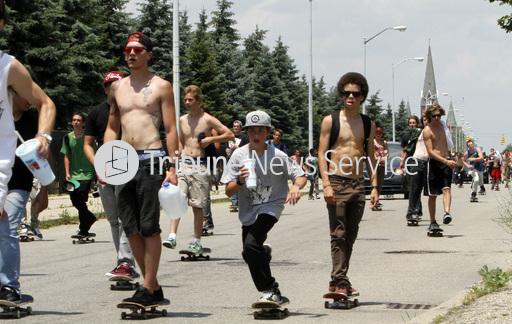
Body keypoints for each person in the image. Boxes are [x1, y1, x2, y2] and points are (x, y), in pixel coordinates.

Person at [104, 31, 178, 305]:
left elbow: (170, 128)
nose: (131, 54)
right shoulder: (117, 87)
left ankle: (147, 287)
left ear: (149, 54)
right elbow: (113, 126)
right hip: (123, 160)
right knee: (130, 225)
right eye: (127, 50)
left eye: (137, 50)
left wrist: (173, 165)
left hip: (152, 157)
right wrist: (106, 161)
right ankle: (151, 286)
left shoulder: (161, 86)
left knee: (148, 225)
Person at [0, 0, 56, 299]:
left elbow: (46, 102)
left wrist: (43, 135)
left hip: (5, 170)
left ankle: (8, 286)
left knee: (6, 227)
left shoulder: (7, 66)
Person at [221, 110, 307, 303]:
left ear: (268, 132)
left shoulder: (277, 156)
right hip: (248, 209)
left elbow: (300, 175)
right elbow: (228, 191)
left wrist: (295, 187)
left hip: (271, 205)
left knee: (251, 245)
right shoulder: (238, 155)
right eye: (252, 131)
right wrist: (240, 180)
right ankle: (263, 254)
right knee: (249, 252)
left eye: (261, 131)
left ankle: (270, 290)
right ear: (246, 133)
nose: (256, 135)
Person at [317, 72, 379, 297]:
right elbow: (322, 153)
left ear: (362, 96)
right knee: (338, 233)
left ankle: (338, 279)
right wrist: (326, 184)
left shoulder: (367, 123)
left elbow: (370, 155)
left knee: (350, 234)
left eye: (355, 93)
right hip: (336, 181)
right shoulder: (331, 120)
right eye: (346, 93)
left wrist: (374, 187)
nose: (350, 97)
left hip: (357, 184)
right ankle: (341, 281)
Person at [162, 85, 233, 252]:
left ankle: (196, 240)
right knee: (177, 198)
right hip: (184, 164)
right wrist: (177, 154)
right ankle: (172, 236)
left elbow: (229, 134)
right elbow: (179, 140)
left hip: (200, 165)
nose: (187, 102)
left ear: (198, 101)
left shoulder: (207, 119)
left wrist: (210, 139)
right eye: (185, 99)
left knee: (198, 205)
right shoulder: (182, 120)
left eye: (190, 100)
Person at [83, 71, 138, 279]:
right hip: (104, 172)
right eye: (108, 86)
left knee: (126, 217)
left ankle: (126, 261)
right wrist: (98, 165)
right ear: (104, 89)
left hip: (128, 169)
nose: (112, 89)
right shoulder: (97, 112)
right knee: (114, 220)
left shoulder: (132, 110)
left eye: (116, 84)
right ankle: (121, 261)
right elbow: (87, 144)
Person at [61, 112, 97, 236]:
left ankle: (83, 229)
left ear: (83, 123)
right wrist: (67, 173)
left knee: (81, 197)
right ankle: (90, 217)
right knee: (75, 199)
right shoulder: (67, 138)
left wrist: (96, 173)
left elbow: (95, 154)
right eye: (74, 120)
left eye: (78, 120)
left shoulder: (89, 137)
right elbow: (66, 155)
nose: (76, 122)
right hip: (73, 175)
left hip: (87, 173)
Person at [422, 104, 457, 232]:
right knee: (433, 194)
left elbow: (448, 143)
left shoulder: (444, 127)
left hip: (446, 161)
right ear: (429, 116)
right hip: (434, 163)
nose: (437, 118)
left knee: (447, 188)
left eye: (439, 115)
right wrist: (445, 161)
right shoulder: (427, 130)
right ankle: (432, 221)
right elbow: (430, 151)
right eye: (434, 116)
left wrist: (449, 159)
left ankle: (446, 213)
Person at [404, 115, 429, 222]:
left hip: (427, 162)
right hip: (416, 161)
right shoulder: (418, 132)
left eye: (428, 120)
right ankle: (411, 213)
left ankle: (417, 210)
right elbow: (407, 147)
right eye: (424, 120)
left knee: (420, 189)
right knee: (414, 188)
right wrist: (402, 162)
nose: (427, 122)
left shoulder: (433, 132)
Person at [226, 120, 248, 212]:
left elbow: (248, 148)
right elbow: (224, 146)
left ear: (240, 127)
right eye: (234, 126)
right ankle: (234, 202)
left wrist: (238, 148)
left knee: (240, 180)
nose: (235, 128)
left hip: (241, 161)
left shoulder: (245, 137)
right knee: (231, 180)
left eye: (237, 126)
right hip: (230, 161)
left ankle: (241, 201)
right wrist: (226, 149)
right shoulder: (229, 136)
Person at [372, 127, 387, 211]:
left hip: (382, 164)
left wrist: (385, 156)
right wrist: (375, 157)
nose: (378, 134)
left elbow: (387, 151)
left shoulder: (384, 142)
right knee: (375, 184)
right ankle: (374, 202)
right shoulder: (372, 142)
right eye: (377, 132)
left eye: (380, 132)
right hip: (374, 165)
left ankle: (377, 201)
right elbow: (371, 152)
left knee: (380, 184)